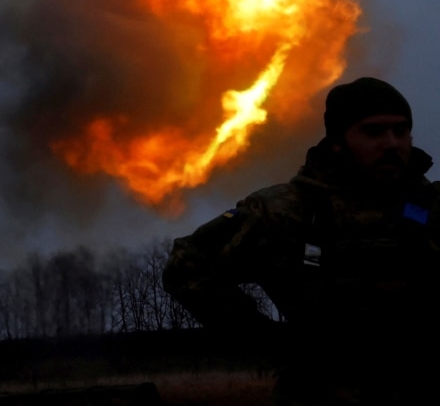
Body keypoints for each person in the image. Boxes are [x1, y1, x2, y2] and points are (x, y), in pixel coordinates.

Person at [163, 77, 440, 404]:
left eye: (401, 130)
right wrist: (269, 340)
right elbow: (187, 266)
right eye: (373, 131)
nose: (392, 143)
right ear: (337, 141)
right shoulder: (288, 210)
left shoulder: (431, 207)